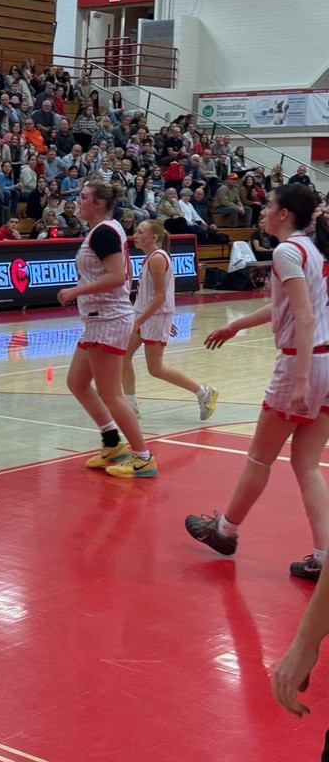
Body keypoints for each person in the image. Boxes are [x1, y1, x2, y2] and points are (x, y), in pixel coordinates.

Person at [186, 184, 329, 580]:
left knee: (259, 457)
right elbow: (286, 304)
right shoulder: (312, 250)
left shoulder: (285, 251)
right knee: (306, 463)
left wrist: (301, 379)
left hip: (304, 362)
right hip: (327, 361)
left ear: (285, 214)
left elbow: (303, 317)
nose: (263, 210)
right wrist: (237, 324)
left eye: (269, 205)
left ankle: (226, 530)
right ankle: (324, 557)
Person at [56, 182, 157, 478]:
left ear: (99, 203)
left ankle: (142, 457)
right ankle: (112, 443)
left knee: (112, 393)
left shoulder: (103, 232)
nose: (78, 201)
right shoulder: (101, 230)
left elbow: (117, 276)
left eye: (84, 197)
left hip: (109, 318)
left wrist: (77, 290)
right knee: (77, 381)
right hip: (97, 318)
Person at [121, 219, 218, 420]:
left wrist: (147, 320)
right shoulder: (149, 258)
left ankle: (203, 392)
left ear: (153, 237)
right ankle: (130, 405)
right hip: (145, 314)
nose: (135, 236)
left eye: (140, 232)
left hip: (152, 317)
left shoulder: (157, 258)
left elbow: (160, 296)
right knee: (123, 357)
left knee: (155, 369)